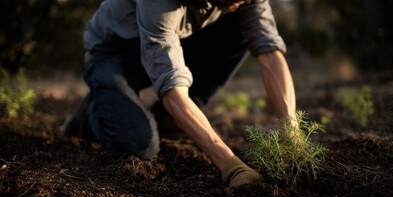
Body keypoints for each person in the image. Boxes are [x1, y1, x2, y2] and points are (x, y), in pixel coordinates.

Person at [62, 0, 297, 187]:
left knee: (240, 29)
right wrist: (230, 166)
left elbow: (269, 52)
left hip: (178, 42)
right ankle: (95, 108)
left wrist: (292, 132)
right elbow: (172, 87)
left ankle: (171, 120)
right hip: (114, 54)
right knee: (139, 144)